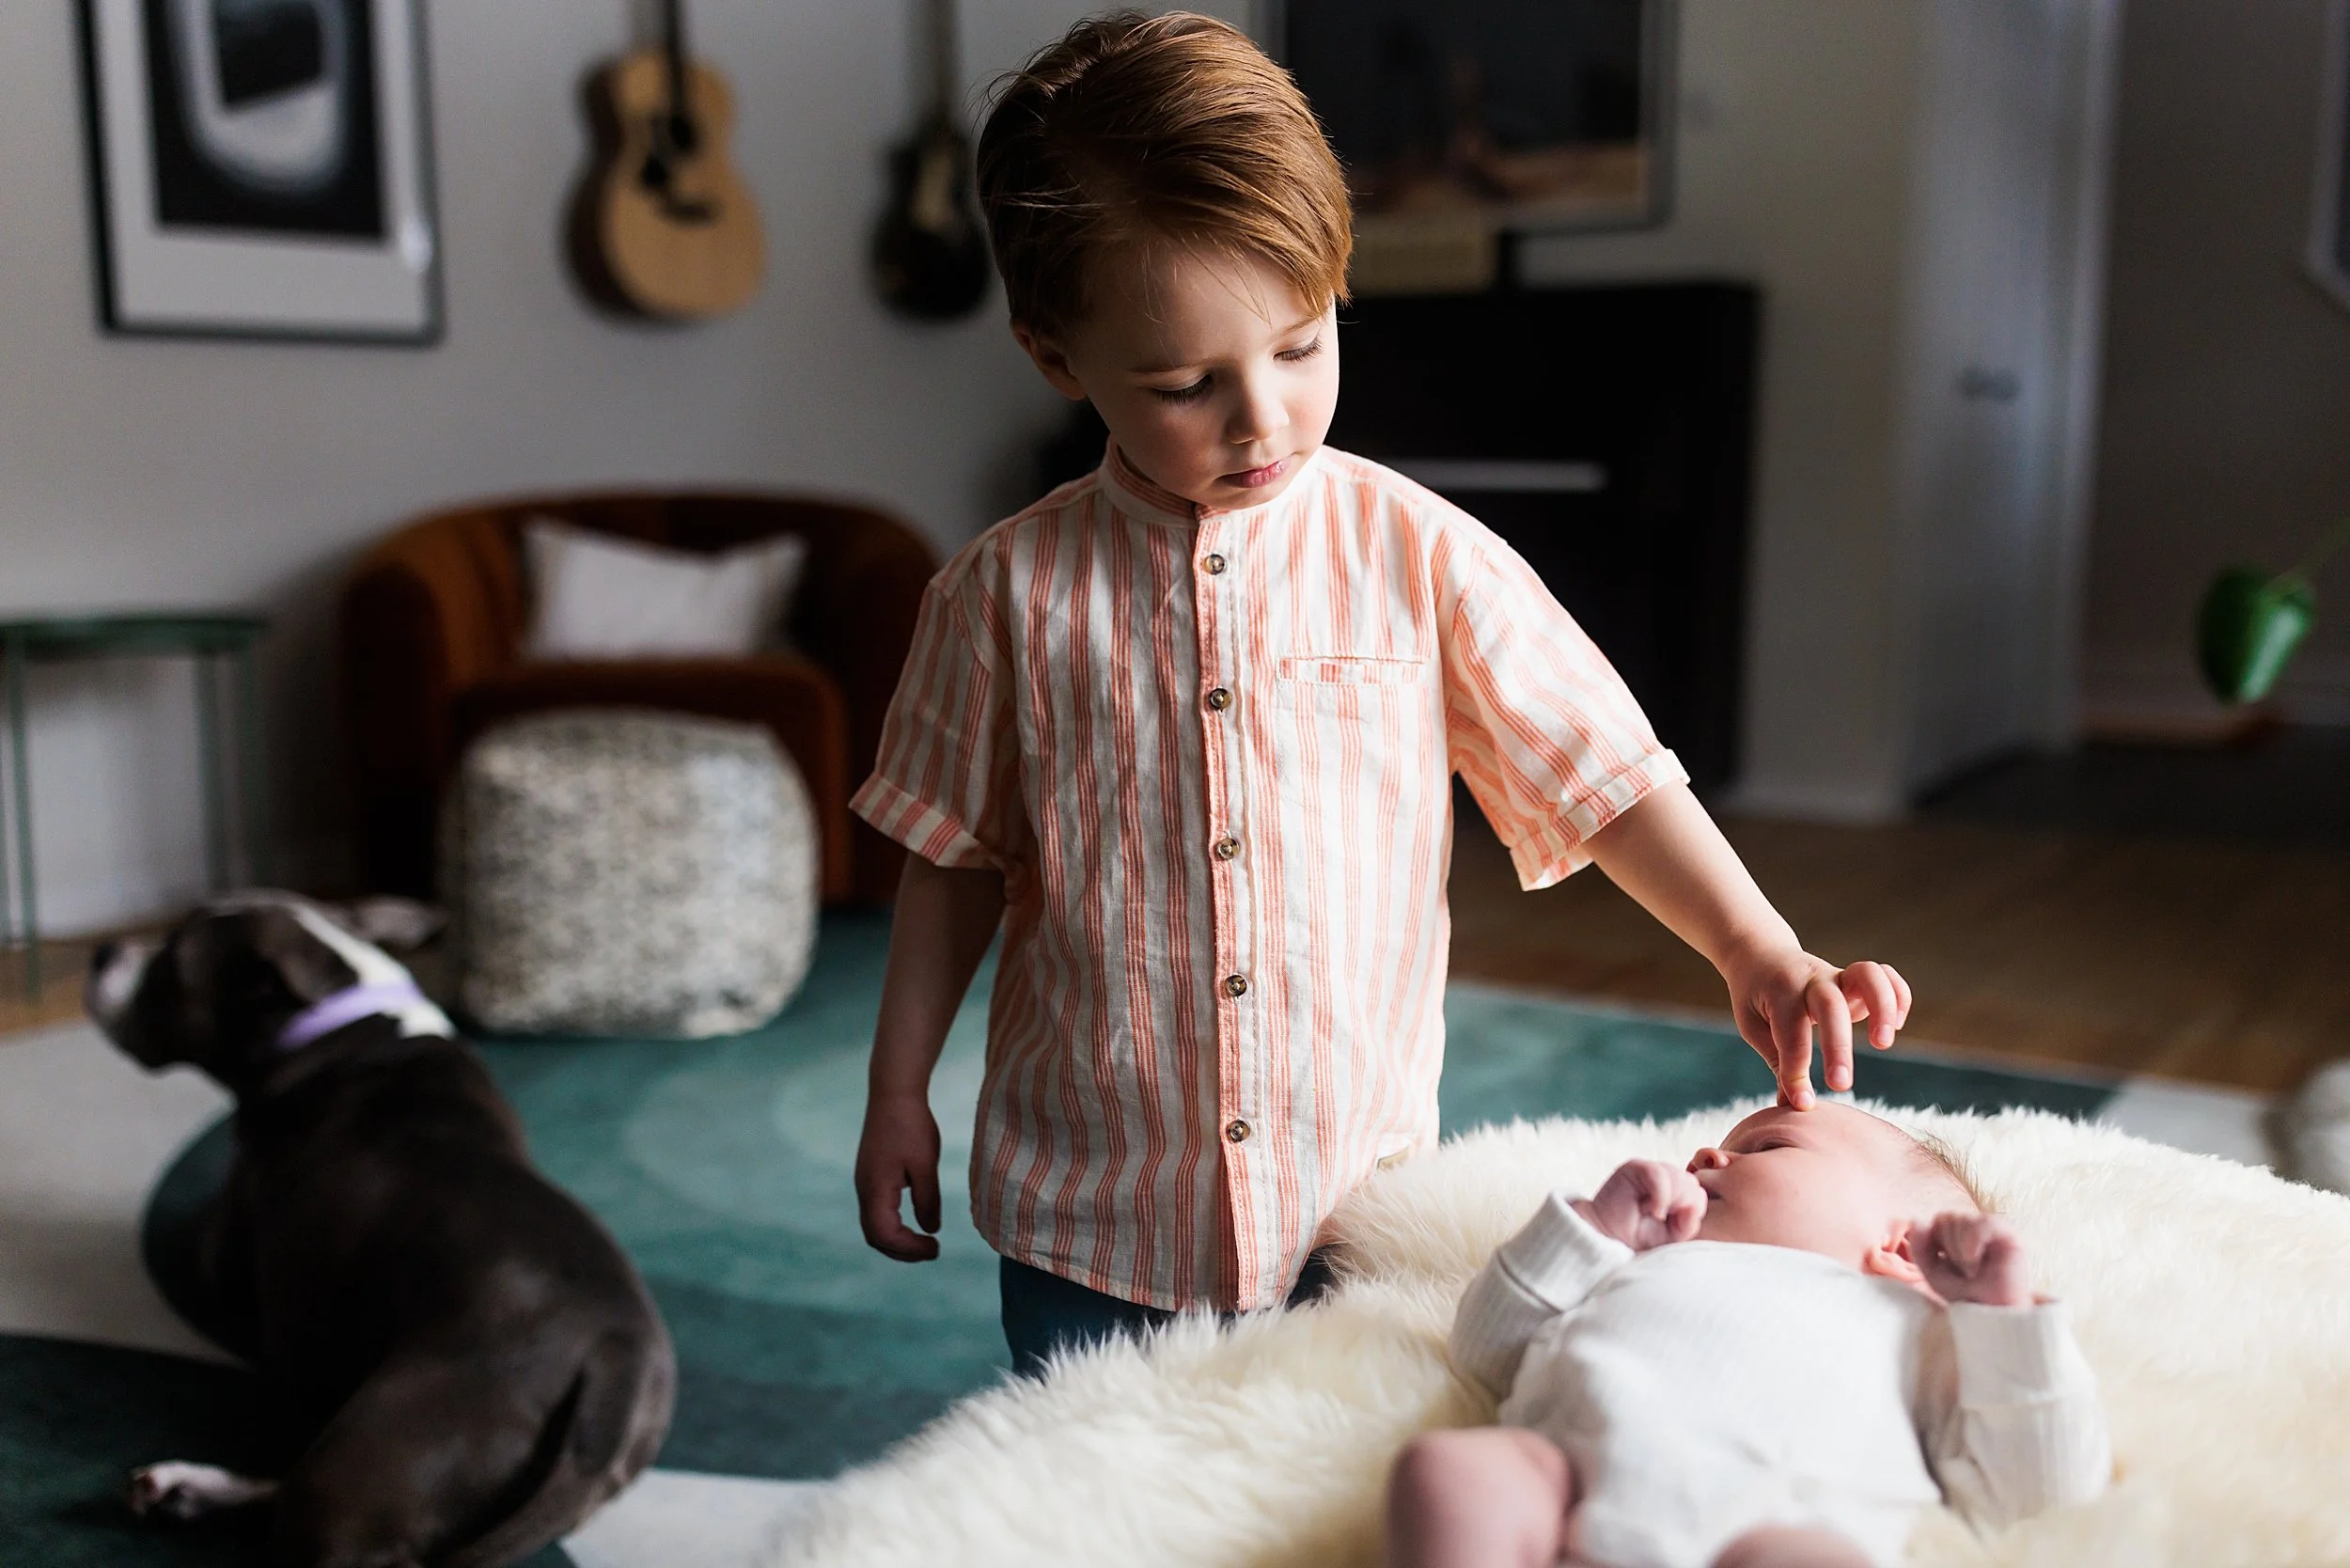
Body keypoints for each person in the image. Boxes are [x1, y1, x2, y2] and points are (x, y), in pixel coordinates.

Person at [849, 10, 1915, 1373]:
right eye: (1187, 384)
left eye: (1301, 348)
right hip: (1091, 1218)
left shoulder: (1421, 553)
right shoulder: (997, 595)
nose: (1262, 419)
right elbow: (948, 860)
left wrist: (1753, 945)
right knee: (1117, 1476)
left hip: (1348, 1207)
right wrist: (898, 1090)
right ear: (1058, 359)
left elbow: (1601, 772)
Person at [1386, 1104, 2111, 1568]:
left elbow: (2037, 1492)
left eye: (1767, 1146)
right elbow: (1485, 1354)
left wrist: (2007, 1319)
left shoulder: (1921, 1329)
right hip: (1568, 1488)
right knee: (1452, 1472)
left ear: (1899, 1248)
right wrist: (1589, 1231)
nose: (1705, 1159)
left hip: (1775, 1524)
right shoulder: (1630, 1262)